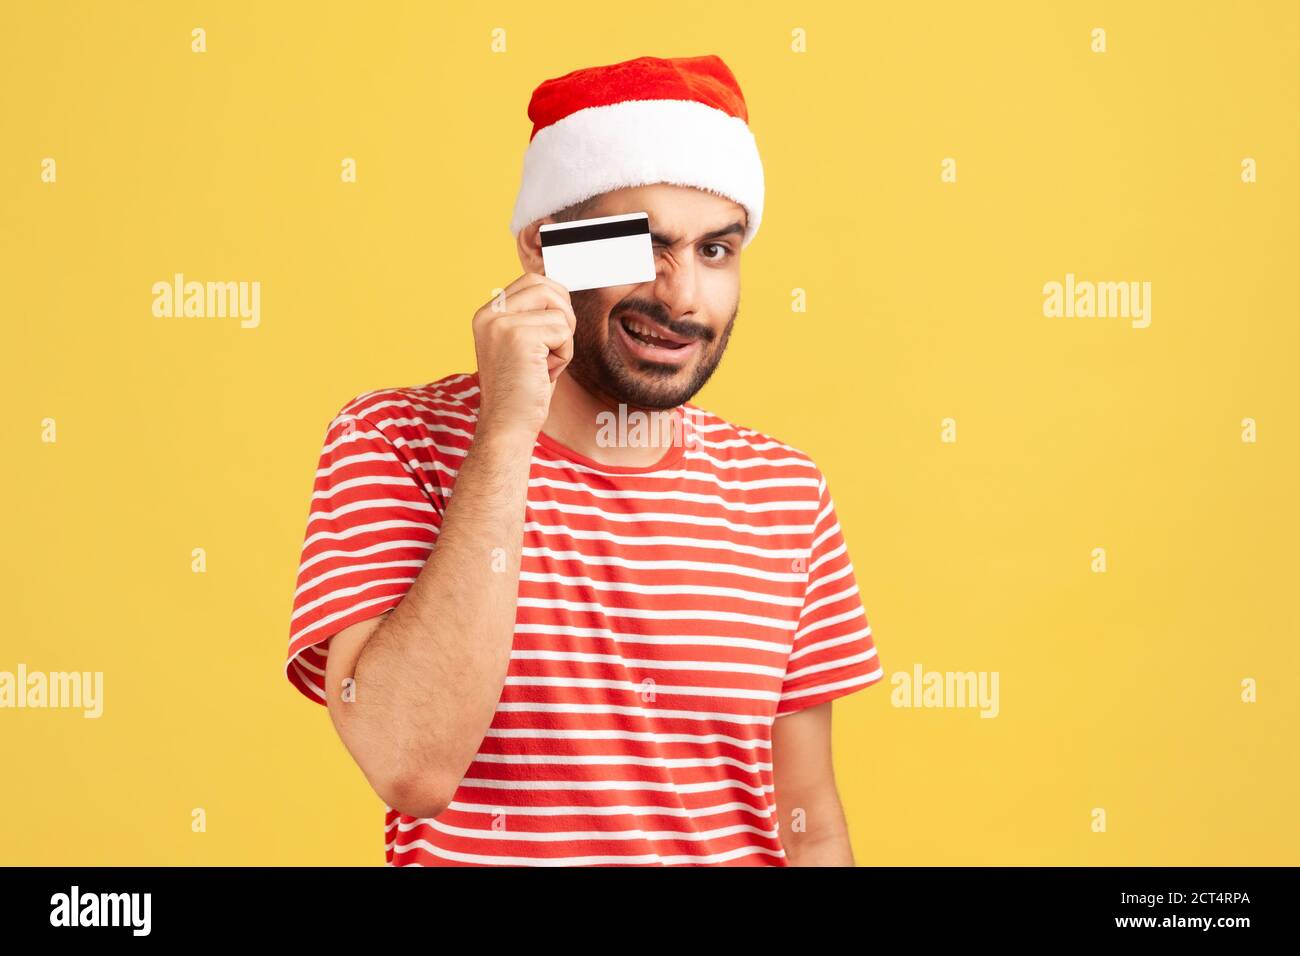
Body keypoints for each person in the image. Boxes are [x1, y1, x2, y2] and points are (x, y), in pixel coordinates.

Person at [284, 54, 884, 866]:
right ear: (545, 248)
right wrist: (505, 432)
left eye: (717, 251)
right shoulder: (394, 442)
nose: (681, 297)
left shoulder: (784, 492)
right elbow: (408, 765)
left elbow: (809, 814)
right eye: (643, 244)